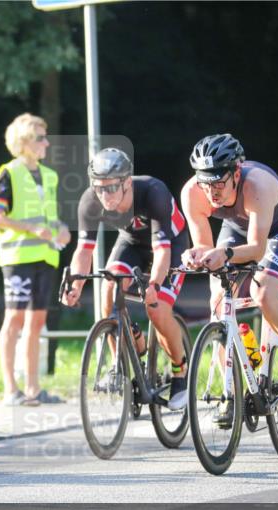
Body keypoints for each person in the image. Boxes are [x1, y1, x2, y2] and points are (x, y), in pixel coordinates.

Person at [179, 133, 278, 410]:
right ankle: (235, 385)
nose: (211, 193)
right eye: (205, 185)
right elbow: (204, 246)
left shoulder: (257, 186)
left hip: (277, 228)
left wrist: (223, 253)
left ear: (236, 173)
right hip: (237, 229)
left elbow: (257, 250)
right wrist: (196, 255)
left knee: (262, 292)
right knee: (217, 301)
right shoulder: (192, 193)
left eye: (218, 184)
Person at [61, 148, 192, 410]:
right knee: (109, 285)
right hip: (131, 242)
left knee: (156, 308)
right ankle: (118, 363)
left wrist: (154, 285)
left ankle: (181, 371)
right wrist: (75, 285)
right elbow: (83, 250)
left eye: (111, 188)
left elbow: (163, 250)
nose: (104, 195)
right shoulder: (90, 200)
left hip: (170, 244)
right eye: (99, 188)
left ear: (127, 182)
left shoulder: (153, 192)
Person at [0, 113, 70, 407]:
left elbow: (48, 215)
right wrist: (31, 228)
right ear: (23, 142)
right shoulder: (8, 173)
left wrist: (60, 228)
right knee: (15, 319)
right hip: (18, 257)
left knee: (37, 323)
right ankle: (11, 390)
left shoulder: (49, 176)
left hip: (46, 257)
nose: (46, 143)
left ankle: (33, 390)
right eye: (40, 138)